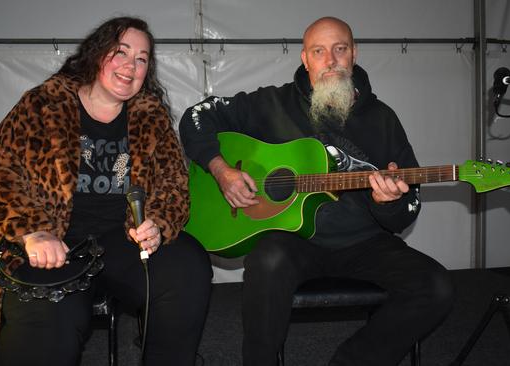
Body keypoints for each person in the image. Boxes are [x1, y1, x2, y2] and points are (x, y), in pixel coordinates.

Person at [179, 16, 454, 366]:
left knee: (436, 287)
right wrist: (221, 170)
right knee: (267, 261)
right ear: (305, 59)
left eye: (339, 49)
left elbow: (408, 210)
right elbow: (196, 116)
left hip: (364, 243)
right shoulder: (270, 103)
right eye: (319, 51)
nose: (331, 60)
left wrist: (389, 202)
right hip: (292, 241)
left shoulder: (383, 119)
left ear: (353, 54)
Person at [0, 16, 212, 366]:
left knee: (188, 267)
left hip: (120, 240)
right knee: (48, 312)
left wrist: (157, 224)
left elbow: (174, 185)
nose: (131, 65)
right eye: (121, 52)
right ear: (98, 55)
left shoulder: (151, 117)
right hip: (53, 241)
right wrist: (32, 231)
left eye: (142, 58)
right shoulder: (44, 104)